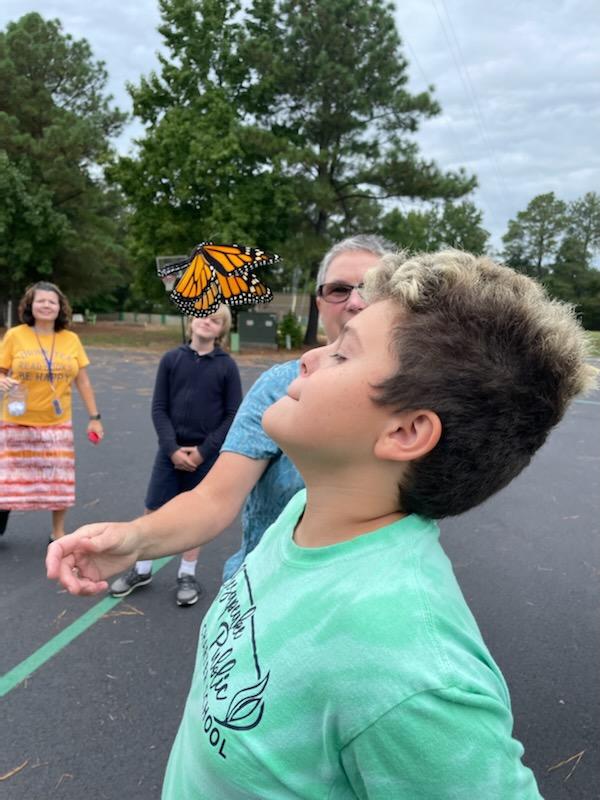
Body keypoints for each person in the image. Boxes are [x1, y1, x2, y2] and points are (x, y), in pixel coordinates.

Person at [48, 250, 594, 797]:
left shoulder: (412, 672)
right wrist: (134, 539)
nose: (308, 357)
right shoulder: (300, 516)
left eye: (342, 355)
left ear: (405, 432)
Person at [104, 234, 395, 596]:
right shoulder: (279, 386)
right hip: (264, 595)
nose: (354, 301)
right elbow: (214, 498)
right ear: (319, 303)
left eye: (371, 287)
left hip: (361, 602)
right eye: (338, 289)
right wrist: (131, 539)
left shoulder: (419, 401)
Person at [109, 306, 242, 606]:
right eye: (203, 315)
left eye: (215, 319)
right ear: (192, 319)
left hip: (204, 455)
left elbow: (233, 414)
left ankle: (187, 572)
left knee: (193, 515)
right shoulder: (172, 359)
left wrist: (204, 451)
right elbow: (159, 407)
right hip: (169, 451)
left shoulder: (226, 367)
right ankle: (143, 569)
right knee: (153, 508)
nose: (207, 321)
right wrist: (171, 448)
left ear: (222, 329)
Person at [0, 281, 103, 541]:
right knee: (7, 480)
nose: (46, 305)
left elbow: (83, 381)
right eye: (41, 301)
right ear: (30, 305)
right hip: (16, 421)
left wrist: (94, 418)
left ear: (60, 308)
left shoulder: (71, 339)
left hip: (56, 422)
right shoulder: (15, 335)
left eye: (52, 302)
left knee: (60, 481)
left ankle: (57, 532)